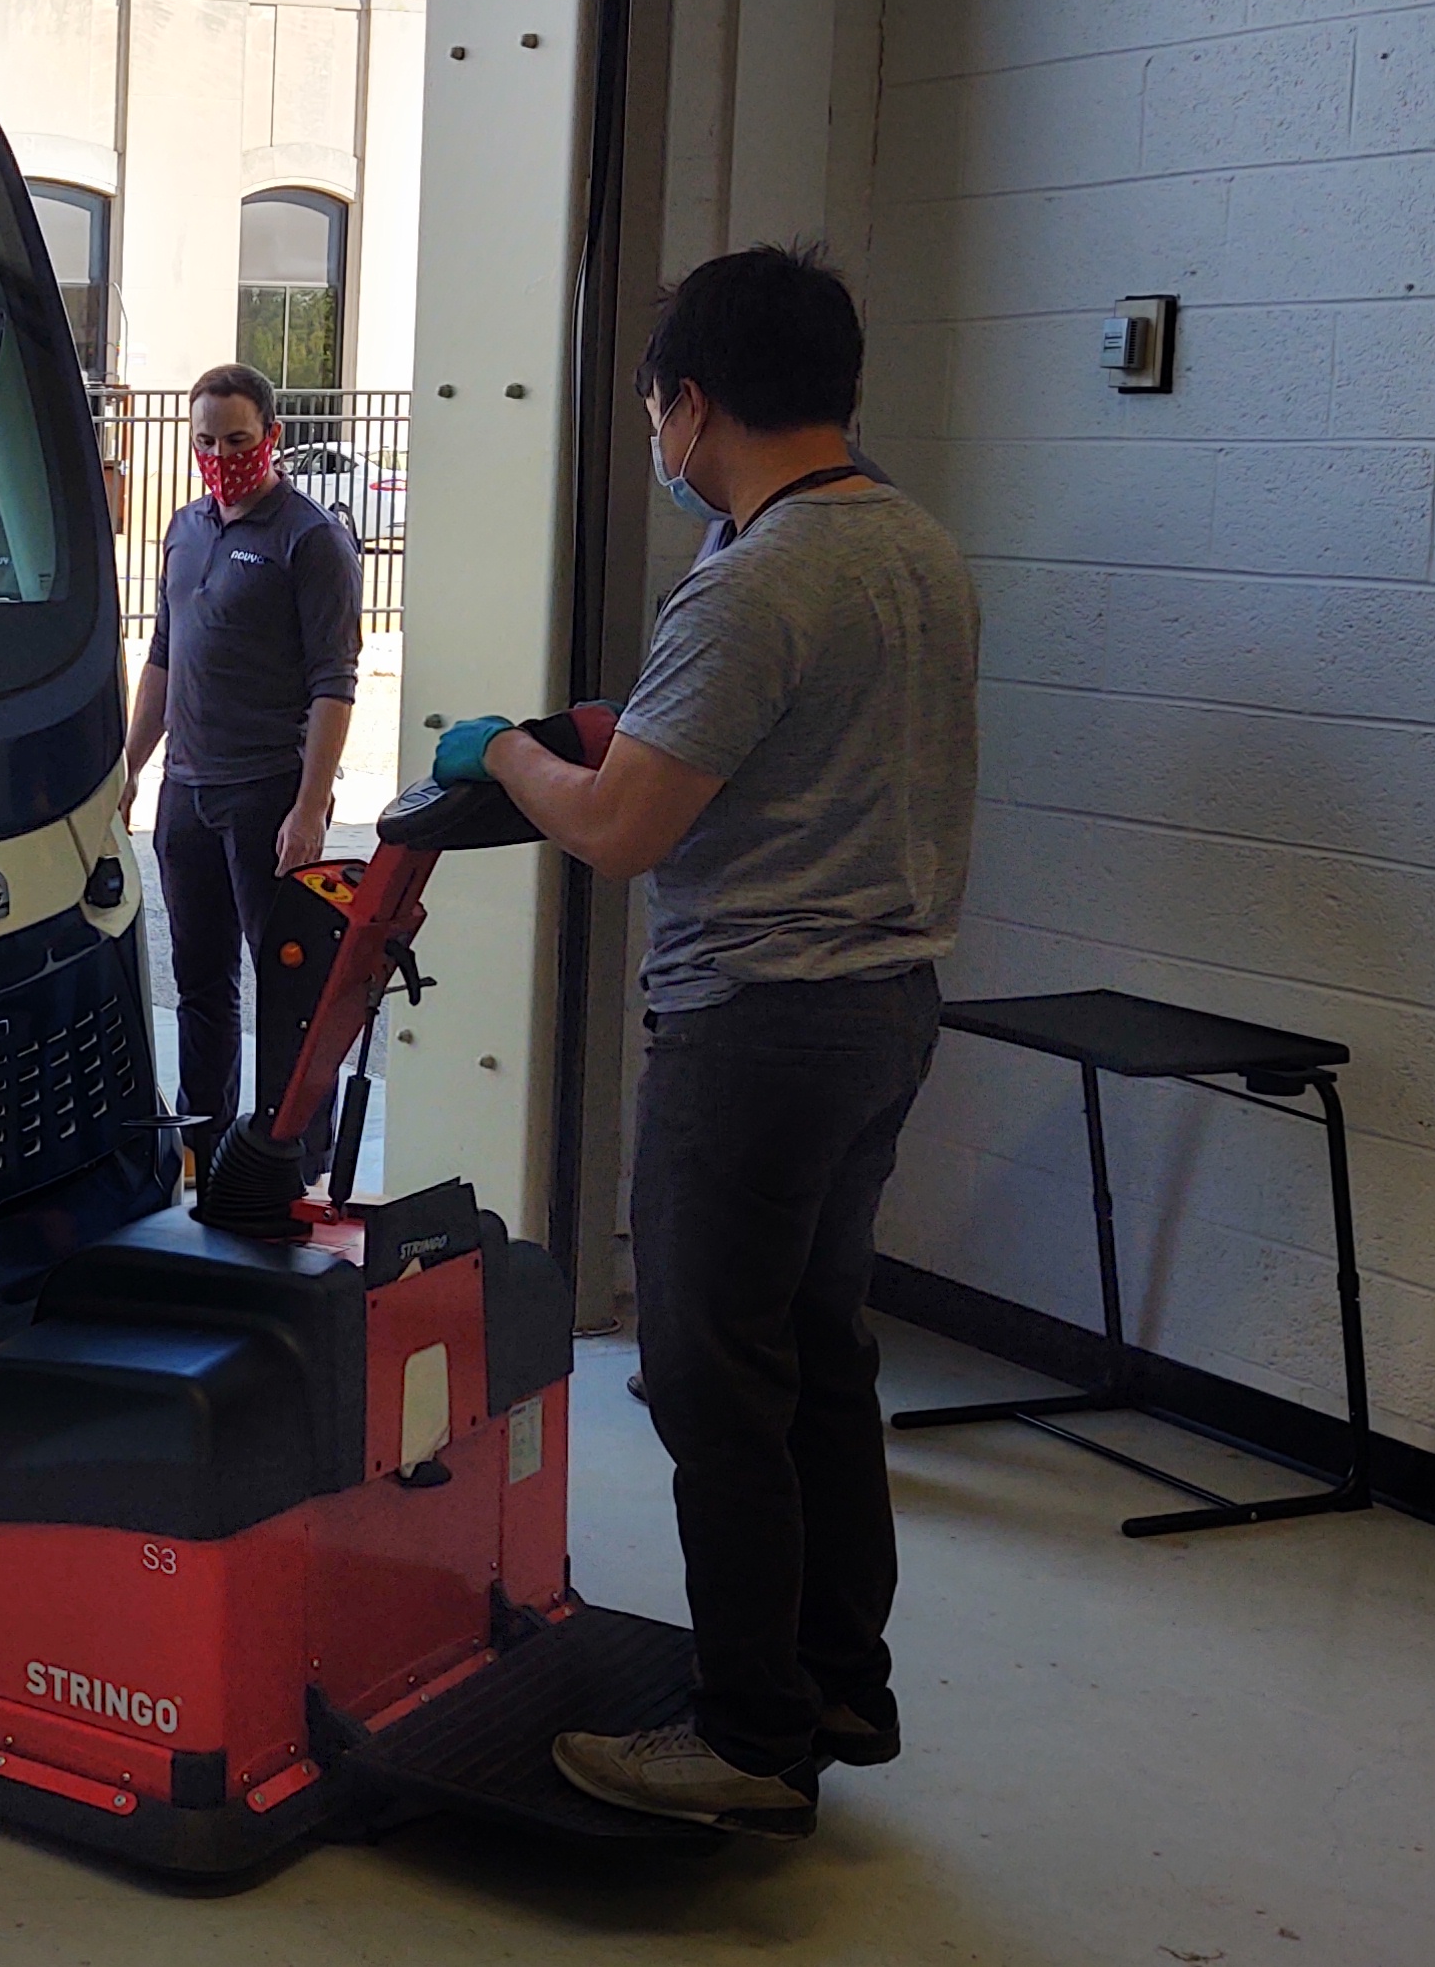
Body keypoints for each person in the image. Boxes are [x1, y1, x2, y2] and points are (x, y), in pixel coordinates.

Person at [429, 245, 978, 1838]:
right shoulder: (914, 544)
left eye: (658, 410)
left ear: (691, 403)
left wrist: (510, 753)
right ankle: (837, 1681)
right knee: (815, 1355)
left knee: (710, 1379)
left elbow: (617, 829)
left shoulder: (753, 581)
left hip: (757, 1029)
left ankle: (745, 1739)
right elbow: (790, 741)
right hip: (883, 1010)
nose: (661, 440)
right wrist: (629, 727)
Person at [119, 361, 361, 1189]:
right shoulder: (185, 531)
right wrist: (130, 770)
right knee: (201, 983)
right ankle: (207, 1146)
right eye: (207, 442)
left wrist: (310, 806)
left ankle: (294, 1160)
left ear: (273, 437)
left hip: (267, 792)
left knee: (288, 986)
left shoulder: (310, 539)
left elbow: (334, 683)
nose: (222, 457)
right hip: (188, 794)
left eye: (238, 440)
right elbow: (163, 657)